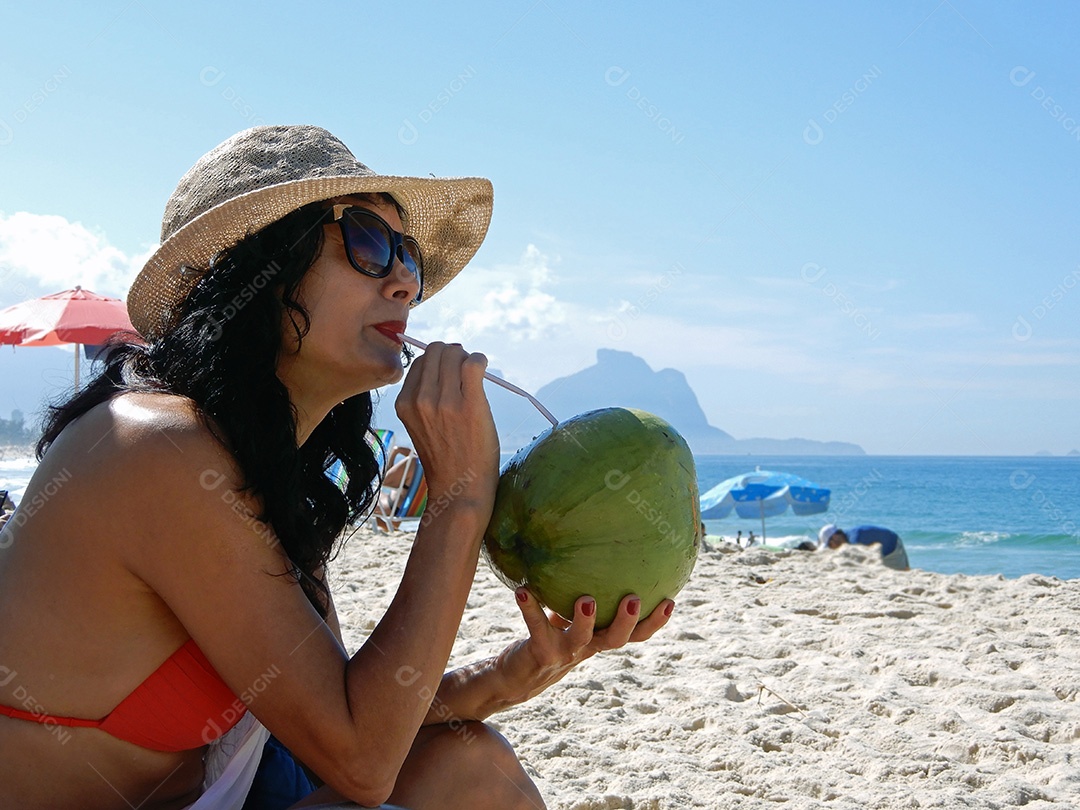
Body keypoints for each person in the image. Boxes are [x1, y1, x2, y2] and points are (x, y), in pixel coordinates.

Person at [0, 125, 674, 810]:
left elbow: (343, 714)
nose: (407, 280)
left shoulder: (264, 467)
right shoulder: (155, 450)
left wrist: (522, 668)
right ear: (254, 272)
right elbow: (360, 760)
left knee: (471, 764)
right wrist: (461, 500)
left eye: (406, 253)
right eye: (368, 242)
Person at [818, 523, 910, 571]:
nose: (832, 549)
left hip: (892, 548)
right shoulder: (849, 536)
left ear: (835, 537)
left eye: (830, 545)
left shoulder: (855, 540)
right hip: (888, 544)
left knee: (901, 573)